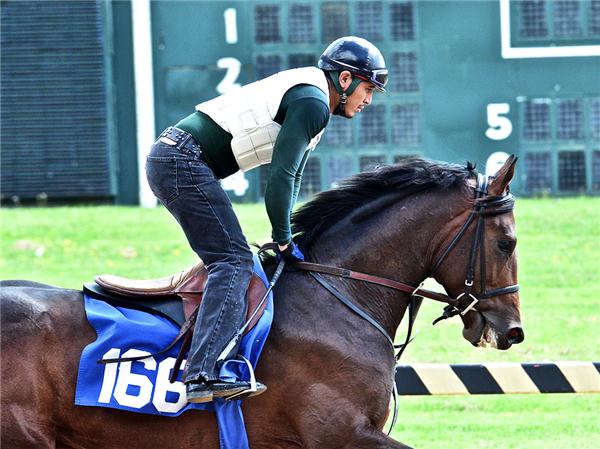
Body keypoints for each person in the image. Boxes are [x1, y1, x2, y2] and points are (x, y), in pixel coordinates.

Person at [145, 36, 388, 403]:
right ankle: (203, 375)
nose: (368, 100)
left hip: (178, 159)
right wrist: (283, 237)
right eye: (367, 88)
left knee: (233, 258)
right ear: (344, 79)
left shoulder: (315, 100)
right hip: (181, 162)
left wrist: (285, 233)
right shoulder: (313, 103)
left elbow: (293, 177)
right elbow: (281, 177)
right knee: (232, 261)